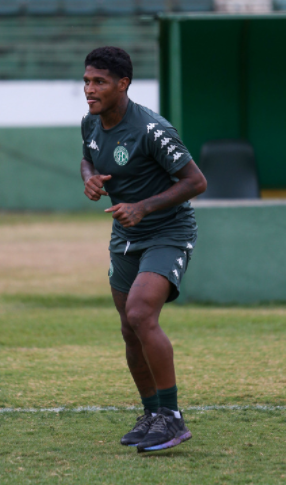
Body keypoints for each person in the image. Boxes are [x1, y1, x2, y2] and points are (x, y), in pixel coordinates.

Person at [80, 47, 207, 453]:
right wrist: (90, 177)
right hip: (125, 237)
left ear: (123, 84)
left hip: (167, 231)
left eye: (99, 82)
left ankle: (171, 418)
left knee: (140, 313)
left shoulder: (152, 129)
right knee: (128, 328)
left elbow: (195, 181)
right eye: (86, 80)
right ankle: (152, 414)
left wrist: (142, 206)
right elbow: (86, 158)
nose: (89, 89)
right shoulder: (91, 123)